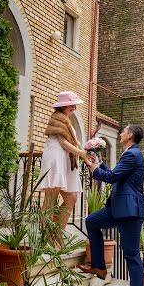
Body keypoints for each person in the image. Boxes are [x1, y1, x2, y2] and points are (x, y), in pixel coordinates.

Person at [79, 124, 144, 286]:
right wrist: (99, 163)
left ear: (130, 135)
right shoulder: (129, 154)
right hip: (118, 208)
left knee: (132, 257)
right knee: (91, 221)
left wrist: (94, 170)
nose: (121, 133)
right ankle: (99, 266)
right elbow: (117, 176)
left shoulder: (132, 155)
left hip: (129, 212)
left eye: (124, 131)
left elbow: (113, 177)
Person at [38, 91, 88, 241]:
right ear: (63, 106)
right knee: (50, 198)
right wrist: (81, 153)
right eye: (71, 105)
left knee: (71, 197)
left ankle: (57, 233)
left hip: (65, 159)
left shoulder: (66, 120)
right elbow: (63, 142)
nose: (74, 107)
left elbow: (74, 141)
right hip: (55, 158)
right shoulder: (58, 119)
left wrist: (87, 153)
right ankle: (47, 238)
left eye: (74, 105)